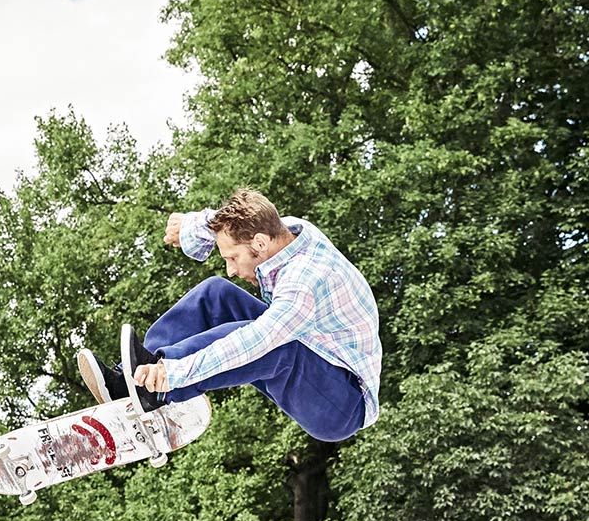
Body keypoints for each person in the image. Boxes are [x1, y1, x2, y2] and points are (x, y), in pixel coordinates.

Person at [76, 188, 381, 445]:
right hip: (315, 360)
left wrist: (176, 373)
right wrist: (193, 227)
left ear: (260, 244)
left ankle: (156, 385)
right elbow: (230, 219)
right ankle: (135, 373)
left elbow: (255, 341)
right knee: (216, 293)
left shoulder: (304, 282)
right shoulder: (285, 230)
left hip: (341, 405)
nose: (232, 269)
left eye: (233, 258)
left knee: (278, 346)